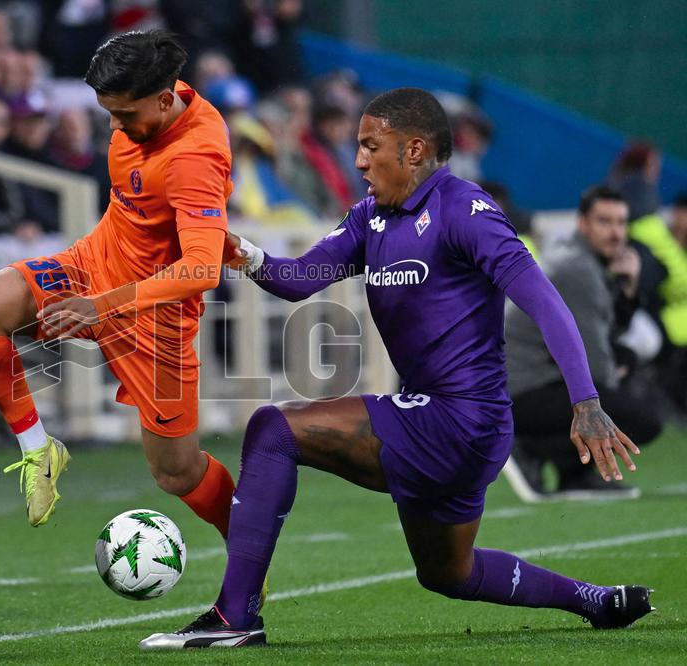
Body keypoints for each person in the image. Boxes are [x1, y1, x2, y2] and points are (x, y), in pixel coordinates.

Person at [139, 88, 654, 649]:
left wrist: (586, 401)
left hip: (463, 419)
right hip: (446, 425)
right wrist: (244, 253)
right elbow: (299, 280)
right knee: (447, 574)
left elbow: (544, 301)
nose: (358, 160)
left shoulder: (465, 210)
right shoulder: (370, 218)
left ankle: (235, 616)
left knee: (273, 431)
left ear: (413, 150)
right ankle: (594, 601)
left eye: (369, 146)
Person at [0, 31, 239, 546]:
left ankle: (246, 549)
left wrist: (98, 307)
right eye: (107, 112)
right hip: (90, 266)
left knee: (177, 473)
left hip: (155, 321)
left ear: (164, 99)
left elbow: (200, 270)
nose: (114, 125)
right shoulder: (151, 89)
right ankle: (40, 451)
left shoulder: (194, 158)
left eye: (124, 115)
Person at [504, 186, 662, 501]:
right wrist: (621, 367)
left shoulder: (578, 257)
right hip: (516, 394)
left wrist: (627, 295)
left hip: (524, 384)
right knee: (641, 420)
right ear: (582, 224)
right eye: (605, 222)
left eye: (621, 223)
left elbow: (600, 334)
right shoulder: (578, 270)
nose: (616, 233)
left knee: (623, 367)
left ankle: (575, 473)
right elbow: (596, 368)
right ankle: (525, 445)